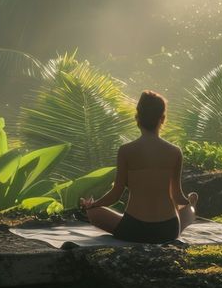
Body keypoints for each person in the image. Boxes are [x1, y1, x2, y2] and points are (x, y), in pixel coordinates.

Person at [80, 90, 198, 243]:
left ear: (137, 118)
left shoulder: (126, 151)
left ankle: (92, 209)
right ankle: (192, 205)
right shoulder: (175, 152)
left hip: (133, 229)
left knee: (94, 212)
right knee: (189, 210)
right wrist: (189, 202)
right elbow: (176, 195)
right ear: (162, 119)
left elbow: (115, 194)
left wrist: (92, 205)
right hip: (168, 230)